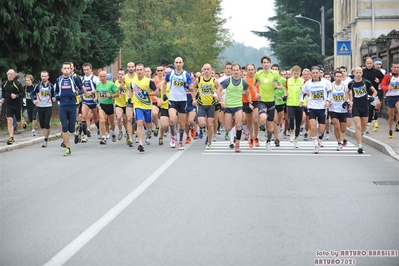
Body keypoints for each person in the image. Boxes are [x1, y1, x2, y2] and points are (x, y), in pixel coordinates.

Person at [217, 63, 251, 152]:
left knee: (238, 124)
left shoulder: (243, 81)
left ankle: (237, 144)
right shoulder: (228, 81)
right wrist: (222, 101)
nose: (236, 72)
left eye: (237, 70)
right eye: (234, 70)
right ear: (232, 71)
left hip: (238, 105)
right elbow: (218, 90)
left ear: (240, 71)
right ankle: (233, 133)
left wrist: (250, 102)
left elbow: (248, 92)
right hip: (228, 106)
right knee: (227, 128)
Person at [162, 57, 194, 150]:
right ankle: (173, 137)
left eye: (180, 62)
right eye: (177, 62)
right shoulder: (170, 74)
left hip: (183, 100)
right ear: (174, 64)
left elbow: (192, 88)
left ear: (183, 64)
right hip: (172, 99)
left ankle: (180, 141)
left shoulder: (186, 75)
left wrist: (187, 86)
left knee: (182, 122)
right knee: (172, 120)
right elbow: (164, 83)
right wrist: (164, 94)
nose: (178, 64)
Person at [53, 62, 84, 156]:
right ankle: (68, 148)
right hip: (62, 106)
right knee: (64, 127)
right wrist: (56, 96)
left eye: (68, 68)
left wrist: (76, 94)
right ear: (62, 70)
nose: (66, 70)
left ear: (71, 70)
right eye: (64, 68)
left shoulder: (74, 78)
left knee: (71, 129)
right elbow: (55, 91)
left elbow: (82, 90)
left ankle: (78, 129)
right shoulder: (59, 80)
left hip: (72, 105)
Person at [300, 66, 332, 154]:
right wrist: (302, 101)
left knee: (321, 130)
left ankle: (319, 135)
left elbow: (330, 92)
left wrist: (328, 101)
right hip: (312, 107)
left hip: (322, 108)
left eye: (316, 73)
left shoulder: (326, 82)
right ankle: (315, 145)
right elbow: (302, 93)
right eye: (313, 73)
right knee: (313, 126)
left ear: (319, 73)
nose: (315, 74)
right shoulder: (308, 84)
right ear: (311, 74)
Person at [346, 66, 377, 153]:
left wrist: (372, 97)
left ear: (362, 73)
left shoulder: (366, 82)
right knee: (358, 125)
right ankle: (360, 145)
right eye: (357, 72)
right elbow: (347, 92)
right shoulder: (351, 83)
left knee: (363, 127)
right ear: (354, 73)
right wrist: (347, 101)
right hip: (356, 107)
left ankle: (361, 134)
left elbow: (375, 92)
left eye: (360, 72)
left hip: (365, 106)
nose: (358, 74)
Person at [255, 56, 283, 150]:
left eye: (267, 62)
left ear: (270, 63)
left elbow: (281, 87)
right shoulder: (258, 74)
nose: (266, 64)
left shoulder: (275, 73)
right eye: (264, 62)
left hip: (271, 101)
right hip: (262, 100)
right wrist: (256, 93)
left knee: (270, 126)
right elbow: (253, 86)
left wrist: (276, 87)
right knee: (263, 118)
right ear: (262, 64)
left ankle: (268, 142)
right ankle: (262, 129)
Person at [192, 63, 222, 149]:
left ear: (211, 70)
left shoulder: (214, 81)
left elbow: (220, 90)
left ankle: (209, 141)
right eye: (204, 69)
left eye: (208, 69)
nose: (206, 71)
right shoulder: (199, 80)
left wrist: (218, 97)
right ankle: (204, 130)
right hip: (201, 104)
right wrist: (194, 98)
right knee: (201, 123)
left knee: (210, 124)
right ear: (202, 70)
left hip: (211, 105)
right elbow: (193, 88)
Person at [129, 64, 158, 152]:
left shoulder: (149, 81)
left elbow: (156, 92)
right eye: (137, 70)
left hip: (147, 105)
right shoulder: (133, 81)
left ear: (144, 71)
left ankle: (149, 130)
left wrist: (148, 94)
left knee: (148, 124)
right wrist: (130, 99)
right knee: (140, 123)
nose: (139, 71)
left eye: (141, 69)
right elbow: (131, 90)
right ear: (135, 71)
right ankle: (140, 143)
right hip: (137, 105)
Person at [94, 71, 119, 145]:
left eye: (103, 76)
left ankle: (113, 132)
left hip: (110, 105)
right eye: (100, 77)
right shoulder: (98, 84)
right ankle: (104, 137)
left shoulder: (111, 84)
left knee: (111, 122)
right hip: (101, 105)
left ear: (106, 77)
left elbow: (117, 93)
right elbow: (96, 91)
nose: (102, 78)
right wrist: (96, 97)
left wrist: (111, 96)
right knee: (102, 120)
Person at [1, 69, 24, 145]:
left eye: (11, 74)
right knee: (10, 120)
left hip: (17, 105)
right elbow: (4, 92)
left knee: (19, 124)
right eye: (8, 74)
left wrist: (16, 95)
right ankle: (11, 137)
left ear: (14, 76)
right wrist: (3, 98)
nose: (10, 76)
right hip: (9, 105)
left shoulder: (17, 84)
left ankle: (22, 120)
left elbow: (22, 93)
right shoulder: (4, 84)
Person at [33, 70, 56, 147]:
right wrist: (34, 100)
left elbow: (54, 93)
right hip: (40, 106)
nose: (43, 78)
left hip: (48, 106)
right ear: (41, 77)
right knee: (42, 125)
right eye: (42, 76)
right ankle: (46, 128)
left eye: (45, 76)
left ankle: (45, 140)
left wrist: (54, 98)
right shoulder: (38, 85)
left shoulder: (51, 85)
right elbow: (32, 94)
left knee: (46, 123)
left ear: (48, 77)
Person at [362, 57, 384, 132]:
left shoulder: (376, 71)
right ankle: (368, 123)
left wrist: (379, 80)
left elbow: (384, 79)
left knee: (373, 108)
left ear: (372, 64)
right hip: (364, 93)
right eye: (367, 63)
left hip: (374, 92)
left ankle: (372, 121)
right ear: (365, 64)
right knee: (368, 108)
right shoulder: (362, 71)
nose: (369, 65)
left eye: (370, 63)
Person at [81, 63, 100, 142]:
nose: (86, 71)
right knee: (84, 116)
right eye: (84, 70)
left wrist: (94, 94)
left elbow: (99, 89)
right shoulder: (82, 79)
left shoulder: (95, 78)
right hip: (85, 101)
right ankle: (85, 135)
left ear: (91, 70)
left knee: (95, 119)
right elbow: (79, 89)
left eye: (87, 70)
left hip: (94, 101)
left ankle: (98, 129)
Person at [329, 70, 348, 150]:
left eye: (340, 77)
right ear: (334, 77)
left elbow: (348, 94)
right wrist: (328, 101)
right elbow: (327, 94)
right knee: (336, 125)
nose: (338, 78)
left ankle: (343, 138)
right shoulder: (331, 86)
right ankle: (339, 143)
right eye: (337, 77)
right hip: (333, 108)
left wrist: (348, 102)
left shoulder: (345, 85)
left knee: (343, 129)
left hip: (342, 109)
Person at [286, 65, 303, 148]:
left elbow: (305, 93)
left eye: (297, 73)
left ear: (300, 73)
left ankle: (296, 139)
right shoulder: (288, 81)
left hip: (299, 104)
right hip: (290, 103)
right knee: (291, 119)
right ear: (292, 73)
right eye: (294, 73)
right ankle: (292, 132)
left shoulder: (302, 81)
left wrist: (303, 102)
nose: (296, 75)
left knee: (298, 123)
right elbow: (285, 91)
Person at [243, 64, 260, 148]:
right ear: (246, 71)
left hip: (256, 101)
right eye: (249, 70)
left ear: (254, 70)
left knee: (256, 120)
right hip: (246, 101)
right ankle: (251, 137)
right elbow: (242, 91)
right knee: (249, 121)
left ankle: (256, 137)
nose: (250, 71)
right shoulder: (244, 80)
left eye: (252, 69)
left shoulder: (257, 79)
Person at [380, 62, 399, 138]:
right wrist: (387, 88)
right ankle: (390, 130)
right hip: (390, 97)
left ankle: (398, 122)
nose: (396, 69)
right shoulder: (388, 76)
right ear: (391, 68)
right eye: (395, 67)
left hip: (398, 96)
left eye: (398, 67)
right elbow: (382, 85)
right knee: (391, 116)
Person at [124, 62, 137, 147]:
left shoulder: (138, 76)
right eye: (129, 67)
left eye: (132, 66)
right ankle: (130, 137)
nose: (131, 68)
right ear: (127, 68)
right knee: (129, 118)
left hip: (137, 100)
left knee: (136, 119)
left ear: (134, 67)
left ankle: (134, 132)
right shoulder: (125, 77)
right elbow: (121, 88)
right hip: (128, 100)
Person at [114, 68, 128, 141]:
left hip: (126, 103)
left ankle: (127, 131)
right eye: (119, 74)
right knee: (119, 117)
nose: (120, 76)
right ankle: (120, 131)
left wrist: (126, 94)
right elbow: (115, 91)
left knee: (125, 119)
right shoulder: (116, 82)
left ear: (125, 75)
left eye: (122, 74)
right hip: (118, 103)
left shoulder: (127, 82)